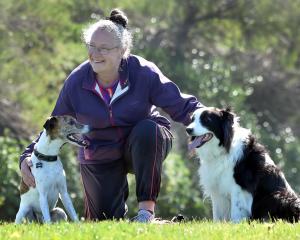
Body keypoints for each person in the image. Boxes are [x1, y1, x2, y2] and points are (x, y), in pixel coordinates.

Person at [19, 9, 203, 223]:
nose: (95, 54)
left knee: (148, 130)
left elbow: (181, 105)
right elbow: (54, 126)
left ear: (122, 50)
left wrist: (211, 123)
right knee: (104, 222)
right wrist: (27, 157)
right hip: (99, 151)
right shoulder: (76, 81)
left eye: (104, 48)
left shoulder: (144, 72)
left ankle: (146, 213)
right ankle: (158, 227)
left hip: (143, 145)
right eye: (92, 46)